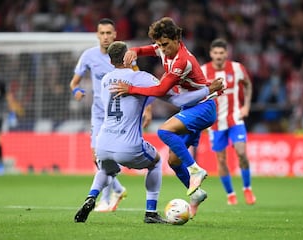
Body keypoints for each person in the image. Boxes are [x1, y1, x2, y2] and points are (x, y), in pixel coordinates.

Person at [74, 41, 224, 223]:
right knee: (155, 162)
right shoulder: (141, 77)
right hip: (127, 143)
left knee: (107, 170)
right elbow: (176, 100)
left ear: (111, 61)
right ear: (128, 56)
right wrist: (208, 90)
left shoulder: (105, 79)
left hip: (103, 143)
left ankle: (91, 197)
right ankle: (150, 213)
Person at [111, 17, 223, 215]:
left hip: (203, 107)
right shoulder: (163, 49)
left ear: (177, 39)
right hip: (191, 108)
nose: (162, 49)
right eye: (160, 44)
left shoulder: (182, 61)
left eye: (166, 44)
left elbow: (161, 89)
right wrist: (133, 51)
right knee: (173, 160)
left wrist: (131, 89)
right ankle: (196, 194)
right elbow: (144, 49)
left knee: (164, 131)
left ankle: (196, 170)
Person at [69, 18, 152, 212]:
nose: (105, 37)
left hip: (122, 115)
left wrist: (147, 108)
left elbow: (139, 80)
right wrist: (76, 91)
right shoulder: (88, 56)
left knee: (108, 158)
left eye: (109, 33)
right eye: (102, 33)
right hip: (99, 114)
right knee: (97, 158)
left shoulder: (125, 56)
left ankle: (106, 200)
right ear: (97, 35)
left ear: (115, 35)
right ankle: (118, 190)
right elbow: (74, 82)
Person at [201, 38, 256, 205]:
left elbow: (248, 84)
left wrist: (246, 106)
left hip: (235, 119)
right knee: (221, 160)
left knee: (241, 153)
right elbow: (198, 95)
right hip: (215, 123)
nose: (218, 56)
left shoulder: (237, 68)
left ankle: (247, 189)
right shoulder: (203, 71)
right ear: (211, 54)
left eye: (221, 53)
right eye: (215, 53)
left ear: (226, 53)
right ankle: (230, 194)